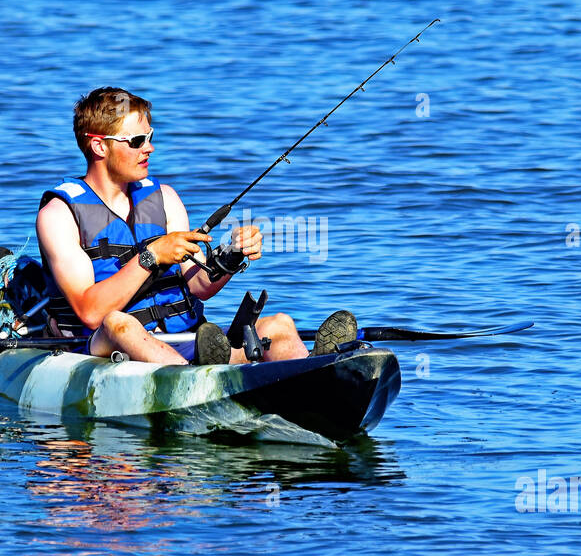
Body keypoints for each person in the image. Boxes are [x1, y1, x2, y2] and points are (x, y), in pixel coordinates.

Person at [35, 87, 356, 365]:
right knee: (120, 323)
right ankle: (196, 381)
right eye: (136, 140)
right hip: (107, 345)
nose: (149, 148)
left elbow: (199, 286)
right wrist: (151, 256)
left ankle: (317, 374)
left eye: (150, 137)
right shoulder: (59, 215)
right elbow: (90, 312)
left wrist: (231, 256)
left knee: (280, 325)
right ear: (99, 146)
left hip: (185, 338)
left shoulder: (165, 199)